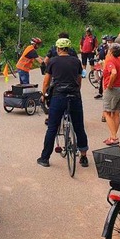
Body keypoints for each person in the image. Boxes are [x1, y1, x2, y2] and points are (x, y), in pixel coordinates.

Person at [37, 38, 90, 168]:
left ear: (58, 49)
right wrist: (76, 92)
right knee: (79, 127)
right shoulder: (76, 62)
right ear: (69, 48)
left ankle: (44, 158)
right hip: (74, 96)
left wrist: (44, 95)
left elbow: (46, 82)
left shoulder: (53, 61)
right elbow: (79, 80)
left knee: (52, 128)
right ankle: (83, 157)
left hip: (59, 96)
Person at [93, 35, 114, 100]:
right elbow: (99, 52)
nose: (109, 42)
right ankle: (100, 92)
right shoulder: (104, 46)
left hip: (110, 65)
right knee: (100, 76)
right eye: (108, 41)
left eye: (110, 41)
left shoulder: (114, 48)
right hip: (104, 63)